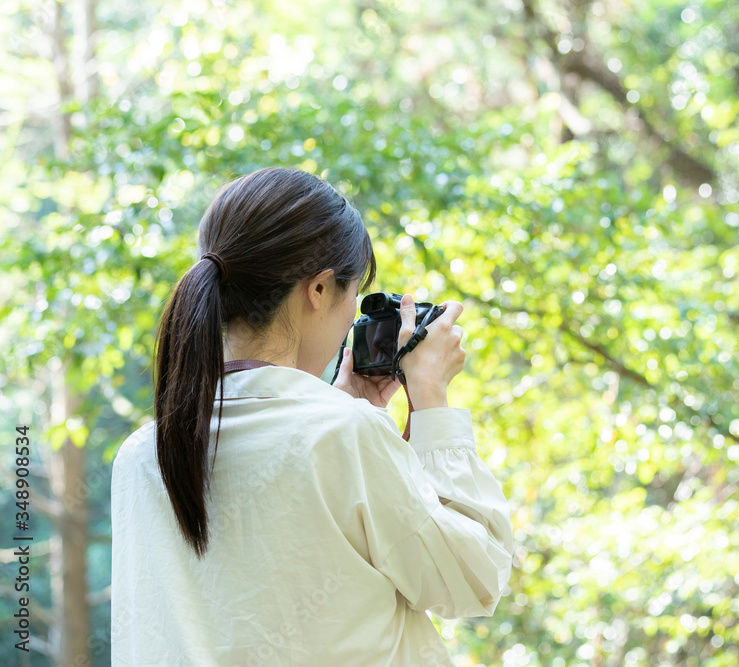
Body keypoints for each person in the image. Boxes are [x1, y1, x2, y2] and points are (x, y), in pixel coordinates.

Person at [110, 167, 514, 666]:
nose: (350, 322)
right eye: (353, 298)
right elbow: (475, 580)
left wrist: (350, 410)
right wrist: (430, 397)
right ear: (319, 289)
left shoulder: (140, 454)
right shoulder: (342, 436)